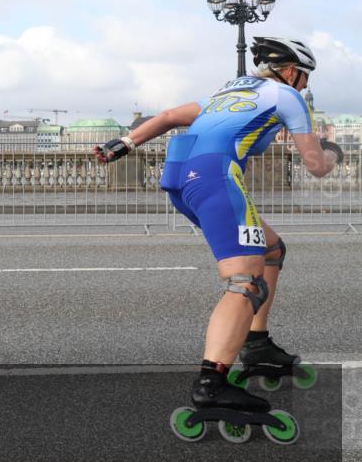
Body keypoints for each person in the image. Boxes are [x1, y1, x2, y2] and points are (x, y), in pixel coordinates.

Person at [94, 37, 339, 440]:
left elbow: (169, 116)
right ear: (290, 71)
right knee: (245, 281)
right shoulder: (288, 97)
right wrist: (331, 155)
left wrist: (123, 143)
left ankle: (257, 343)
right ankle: (212, 382)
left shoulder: (227, 94)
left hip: (181, 178)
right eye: (305, 76)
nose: (306, 85)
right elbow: (315, 165)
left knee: (271, 249)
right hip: (216, 178)